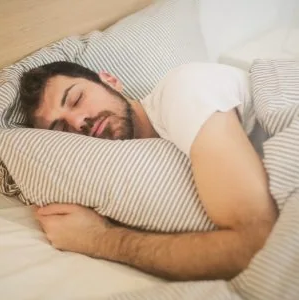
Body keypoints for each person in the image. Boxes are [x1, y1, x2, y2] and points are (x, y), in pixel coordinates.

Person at [19, 61, 278, 281]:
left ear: (110, 81)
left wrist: (99, 240)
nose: (78, 122)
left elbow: (257, 245)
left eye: (76, 99)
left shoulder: (183, 90)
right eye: (61, 129)